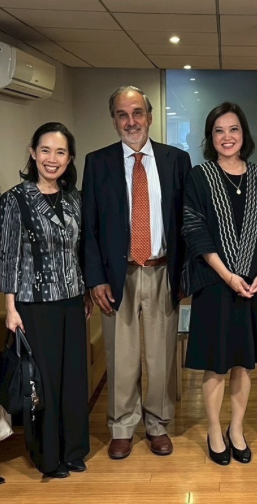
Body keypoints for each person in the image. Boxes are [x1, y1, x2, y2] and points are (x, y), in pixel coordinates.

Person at [81, 86, 192, 460]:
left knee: (161, 357)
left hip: (163, 272)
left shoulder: (177, 160)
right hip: (118, 275)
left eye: (137, 113)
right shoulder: (98, 162)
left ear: (150, 116)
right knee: (121, 357)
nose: (131, 121)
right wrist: (95, 278)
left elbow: (187, 222)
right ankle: (122, 427)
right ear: (114, 120)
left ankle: (158, 424)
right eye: (122, 114)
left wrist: (185, 274)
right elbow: (89, 227)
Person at [181, 103, 257, 465]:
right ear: (210, 137)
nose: (227, 137)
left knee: (244, 363)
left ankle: (236, 429)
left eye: (234, 129)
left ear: (244, 134)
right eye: (219, 131)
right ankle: (214, 430)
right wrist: (228, 275)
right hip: (215, 285)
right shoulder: (199, 177)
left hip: (255, 286)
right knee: (217, 363)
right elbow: (195, 230)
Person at [0, 122, 92, 478]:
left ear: (70, 158)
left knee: (73, 379)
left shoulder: (74, 198)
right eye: (45, 150)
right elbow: (8, 256)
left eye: (60, 152)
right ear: (33, 153)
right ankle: (48, 456)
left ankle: (73, 450)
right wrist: (10, 308)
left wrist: (85, 292)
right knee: (44, 382)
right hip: (33, 305)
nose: (52, 159)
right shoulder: (15, 199)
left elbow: (80, 250)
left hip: (72, 300)